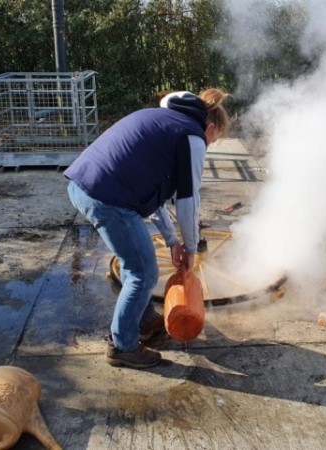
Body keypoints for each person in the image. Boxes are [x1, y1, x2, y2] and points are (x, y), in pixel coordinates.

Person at [64, 89, 230, 369]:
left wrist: (172, 241)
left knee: (136, 263)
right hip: (107, 198)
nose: (209, 144)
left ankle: (144, 322)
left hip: (86, 186)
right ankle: (122, 346)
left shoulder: (163, 121)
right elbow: (188, 202)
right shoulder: (192, 137)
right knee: (143, 272)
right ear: (210, 128)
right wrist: (190, 249)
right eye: (213, 140)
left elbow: (154, 198)